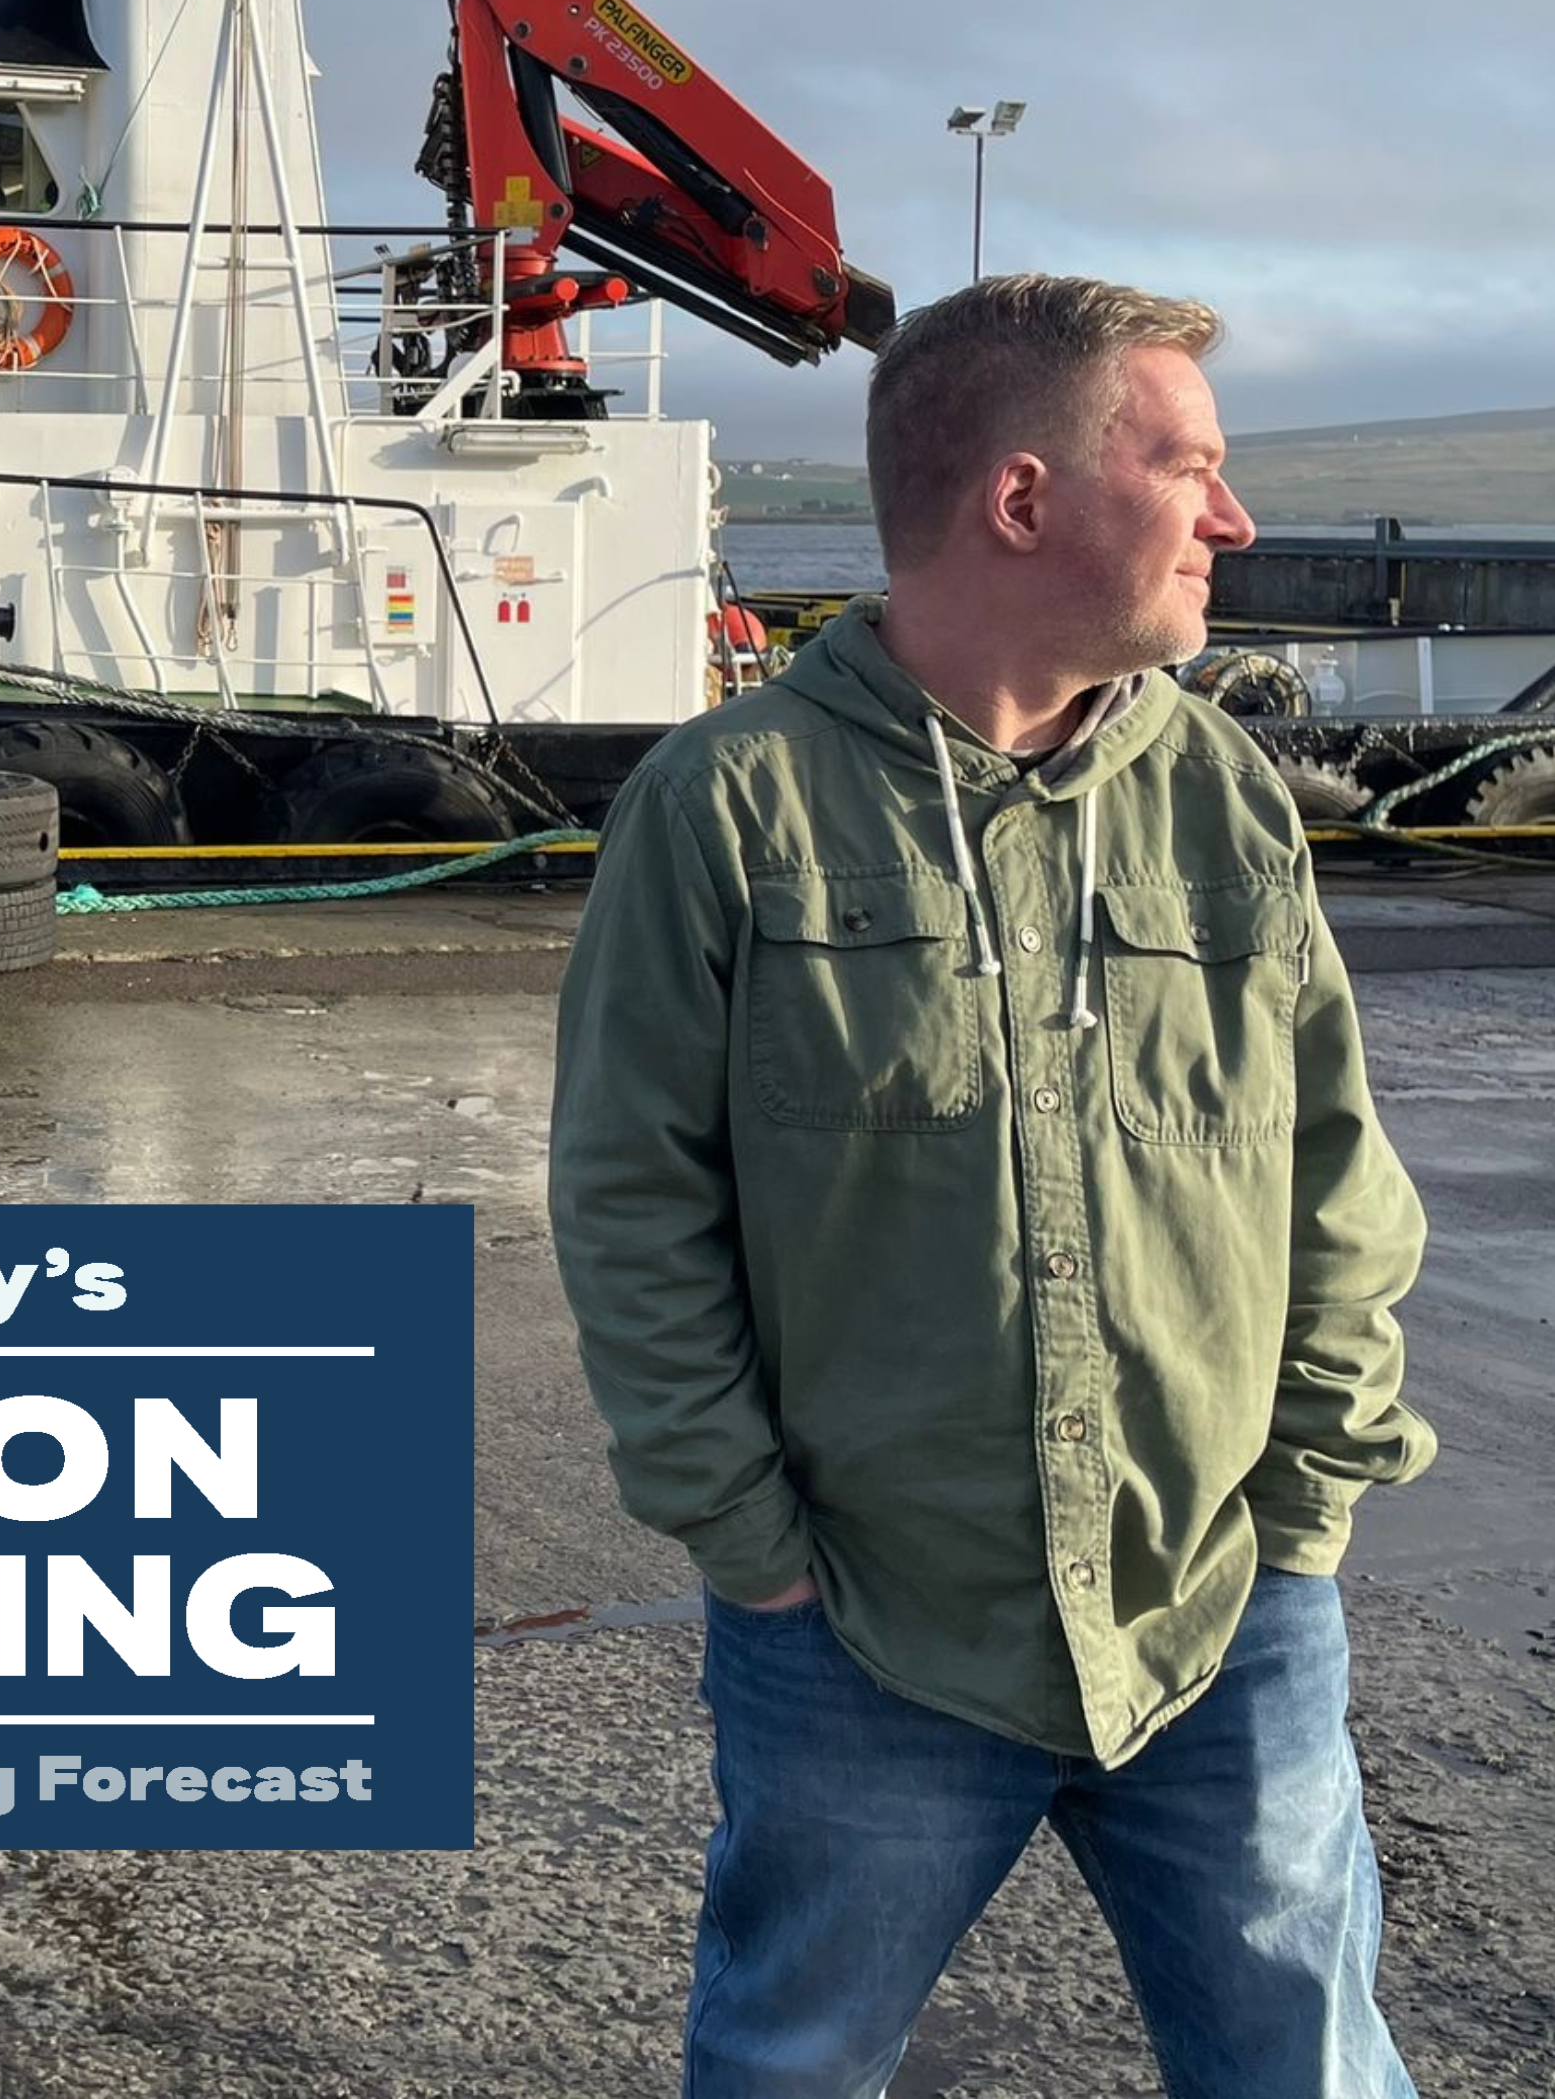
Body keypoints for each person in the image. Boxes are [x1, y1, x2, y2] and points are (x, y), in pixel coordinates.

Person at [548, 274, 1435, 2097]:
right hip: (866, 1629)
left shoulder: (1221, 799)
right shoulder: (728, 810)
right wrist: (754, 1551)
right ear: (1022, 502)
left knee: (1308, 2068)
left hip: (1217, 1606)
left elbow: (1333, 1166)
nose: (1233, 518)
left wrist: (1303, 1512)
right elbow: (636, 1208)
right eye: (1186, 465)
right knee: (789, 2064)